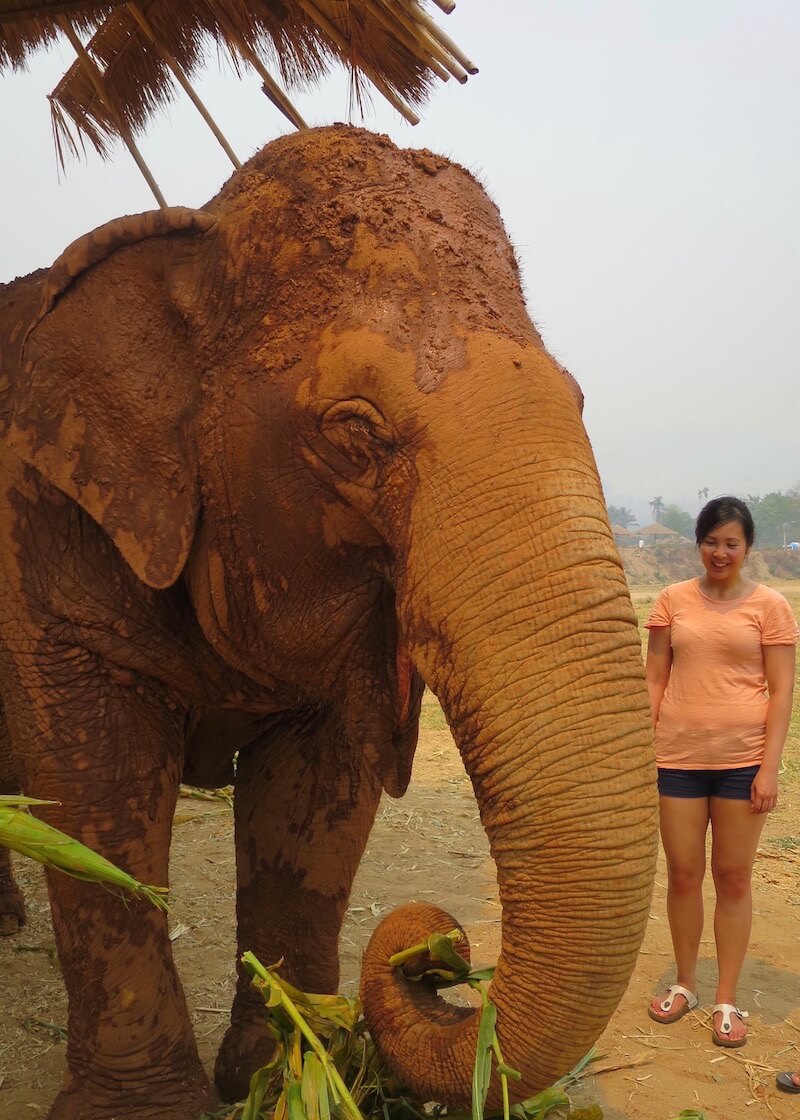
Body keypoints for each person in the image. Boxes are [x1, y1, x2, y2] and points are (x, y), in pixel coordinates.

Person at [645, 496, 798, 1048]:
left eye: (731, 543)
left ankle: (727, 998)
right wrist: (644, 748)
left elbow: (782, 692)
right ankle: (686, 983)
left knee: (732, 877)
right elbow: (655, 678)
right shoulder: (671, 601)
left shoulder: (772, 607)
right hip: (676, 760)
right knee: (683, 874)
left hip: (742, 764)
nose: (720, 552)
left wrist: (769, 769)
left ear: (747, 548)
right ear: (699, 544)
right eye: (711, 541)